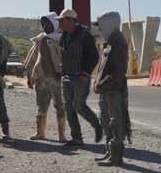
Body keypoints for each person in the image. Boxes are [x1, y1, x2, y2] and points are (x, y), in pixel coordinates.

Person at [57, 9, 103, 148]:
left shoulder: (85, 35)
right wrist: (63, 72)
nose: (60, 23)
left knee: (78, 106)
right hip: (66, 77)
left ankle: (98, 125)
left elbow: (94, 56)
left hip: (80, 77)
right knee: (68, 108)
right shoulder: (63, 36)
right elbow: (63, 55)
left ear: (71, 20)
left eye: (62, 20)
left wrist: (85, 73)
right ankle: (77, 139)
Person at [93, 11, 130, 167]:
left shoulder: (119, 43)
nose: (100, 29)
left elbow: (118, 72)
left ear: (110, 24)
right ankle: (110, 152)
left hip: (113, 91)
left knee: (116, 123)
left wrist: (101, 85)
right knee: (106, 121)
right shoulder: (109, 42)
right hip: (106, 91)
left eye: (101, 25)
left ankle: (116, 157)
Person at [23, 12, 67, 142]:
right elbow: (32, 59)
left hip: (56, 78)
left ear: (55, 23)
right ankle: (40, 132)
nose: (45, 26)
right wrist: (30, 76)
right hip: (41, 79)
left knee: (59, 105)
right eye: (43, 24)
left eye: (48, 23)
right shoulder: (40, 39)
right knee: (41, 105)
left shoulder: (62, 39)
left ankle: (62, 135)